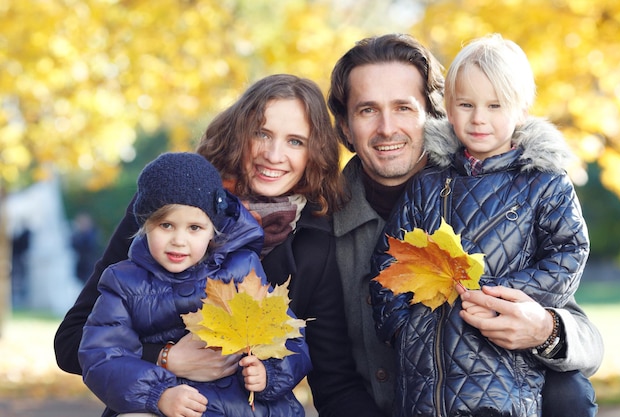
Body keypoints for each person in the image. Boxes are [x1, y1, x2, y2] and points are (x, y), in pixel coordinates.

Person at [55, 74, 385, 417]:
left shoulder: (314, 243)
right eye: (262, 133)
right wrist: (166, 358)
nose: (274, 154)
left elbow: (333, 378)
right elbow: (73, 342)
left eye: (295, 142)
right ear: (240, 133)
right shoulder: (169, 203)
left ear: (313, 154)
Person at [328, 33, 601, 416]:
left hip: (503, 389)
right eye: (368, 109)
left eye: (404, 107)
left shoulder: (537, 185)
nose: (387, 127)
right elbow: (334, 374)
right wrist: (404, 332)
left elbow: (573, 292)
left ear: (431, 112)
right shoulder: (330, 225)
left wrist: (537, 324)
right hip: (418, 395)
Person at [79, 152, 310, 417]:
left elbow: (288, 336)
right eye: (166, 225)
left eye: (194, 228)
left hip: (244, 407)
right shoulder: (123, 282)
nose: (179, 240)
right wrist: (158, 395)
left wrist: (268, 373)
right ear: (145, 225)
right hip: (174, 404)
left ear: (213, 230)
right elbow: (103, 357)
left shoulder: (241, 271)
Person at [70, 212, 100, 284]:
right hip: (80, 270)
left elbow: (89, 246)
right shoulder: (76, 236)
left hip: (90, 269)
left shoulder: (92, 235)